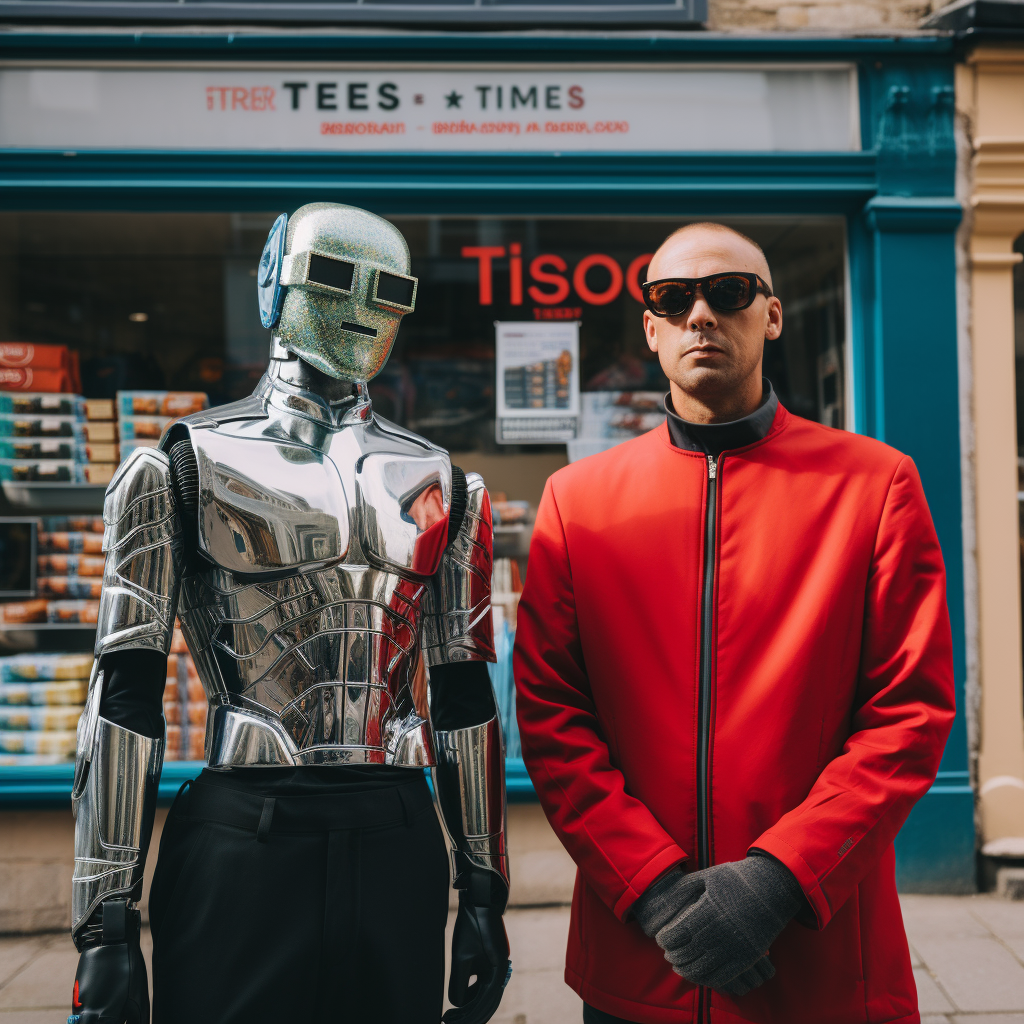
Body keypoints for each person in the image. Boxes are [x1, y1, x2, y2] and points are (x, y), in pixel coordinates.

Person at [69, 203, 510, 1024]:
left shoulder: (447, 483)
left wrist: (485, 889)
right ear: (276, 282)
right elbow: (123, 699)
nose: (362, 307)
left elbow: (464, 698)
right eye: (338, 277)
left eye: (391, 290)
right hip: (247, 824)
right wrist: (104, 925)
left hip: (397, 823)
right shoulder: (180, 466)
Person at [513, 221, 955, 1024]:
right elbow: (552, 717)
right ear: (650, 329)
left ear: (772, 315)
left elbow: (910, 713)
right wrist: (649, 886)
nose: (701, 316)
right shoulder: (577, 503)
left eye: (729, 292)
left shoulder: (875, 485)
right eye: (673, 299)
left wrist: (780, 877)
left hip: (817, 960)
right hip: (640, 957)